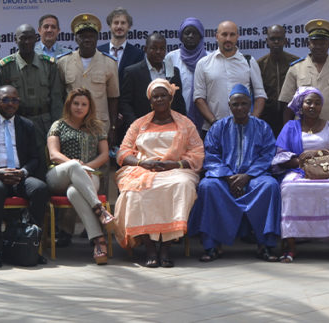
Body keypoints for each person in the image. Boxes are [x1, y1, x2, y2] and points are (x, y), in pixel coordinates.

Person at [115, 78, 204, 267]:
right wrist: (142, 163)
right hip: (142, 169)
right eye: (155, 96)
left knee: (181, 186)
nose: (160, 99)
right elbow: (123, 152)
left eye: (163, 95)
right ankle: (149, 248)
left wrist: (175, 164)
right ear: (150, 101)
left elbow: (197, 153)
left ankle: (165, 248)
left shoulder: (186, 124)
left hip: (176, 169)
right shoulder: (138, 124)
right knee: (134, 191)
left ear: (170, 98)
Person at [189, 83, 281, 262]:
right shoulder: (218, 127)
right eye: (235, 105)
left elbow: (268, 154)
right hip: (223, 177)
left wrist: (247, 176)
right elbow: (210, 154)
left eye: (244, 104)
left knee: (270, 186)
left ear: (251, 105)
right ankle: (212, 246)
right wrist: (229, 176)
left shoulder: (262, 127)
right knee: (208, 186)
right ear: (229, 106)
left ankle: (266, 246)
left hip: (254, 177)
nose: (240, 108)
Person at [0, 85, 49, 269]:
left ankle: (30, 244)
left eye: (14, 100)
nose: (11, 103)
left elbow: (35, 158)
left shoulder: (27, 125)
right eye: (5, 99)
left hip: (19, 175)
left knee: (40, 188)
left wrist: (23, 172)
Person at [273, 87, 329, 263]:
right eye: (309, 102)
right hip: (299, 171)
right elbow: (280, 155)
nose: (313, 106)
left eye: (317, 103)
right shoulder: (290, 127)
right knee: (289, 188)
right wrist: (304, 162)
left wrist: (325, 159)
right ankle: (291, 247)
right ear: (300, 105)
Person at [46, 88, 114, 265]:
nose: (79, 107)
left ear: (89, 106)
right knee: (74, 167)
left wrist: (85, 168)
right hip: (58, 174)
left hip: (89, 175)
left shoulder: (97, 127)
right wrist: (75, 165)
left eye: (84, 104)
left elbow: (104, 155)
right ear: (69, 104)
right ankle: (100, 210)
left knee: (74, 193)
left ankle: (99, 242)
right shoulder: (58, 125)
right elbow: (54, 154)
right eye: (76, 103)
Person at [279, 19, 329, 145]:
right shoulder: (296, 68)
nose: (319, 47)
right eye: (315, 42)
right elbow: (287, 106)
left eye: (323, 43)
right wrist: (287, 133)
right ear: (308, 44)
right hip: (304, 134)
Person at [0, 23, 65, 152]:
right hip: (16, 122)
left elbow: (56, 100)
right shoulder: (5, 66)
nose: (26, 42)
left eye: (30, 38)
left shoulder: (48, 64)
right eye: (22, 38)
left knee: (44, 163)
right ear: (15, 40)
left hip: (44, 123)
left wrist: (57, 128)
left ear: (36, 39)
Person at [57, 14, 120, 145]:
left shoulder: (109, 62)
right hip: (72, 125)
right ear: (75, 38)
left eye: (91, 36)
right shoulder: (63, 62)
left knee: (101, 163)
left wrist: (113, 128)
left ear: (97, 38)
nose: (87, 39)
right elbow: (59, 95)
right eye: (82, 36)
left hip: (99, 125)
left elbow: (113, 98)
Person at [194, 21, 266, 132]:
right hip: (213, 129)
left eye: (232, 35)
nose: (228, 39)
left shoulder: (248, 61)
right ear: (217, 36)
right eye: (224, 34)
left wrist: (253, 121)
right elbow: (199, 98)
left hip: (244, 129)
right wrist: (214, 123)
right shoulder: (203, 63)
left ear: (238, 36)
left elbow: (260, 95)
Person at [119, 32, 185, 136]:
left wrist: (181, 125)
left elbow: (179, 102)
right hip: (141, 131)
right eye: (154, 48)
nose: (158, 52)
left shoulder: (173, 71)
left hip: (170, 130)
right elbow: (125, 103)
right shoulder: (132, 72)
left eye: (162, 48)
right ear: (145, 49)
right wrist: (136, 126)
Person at [256, 24, 300, 135]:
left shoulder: (296, 63)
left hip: (291, 116)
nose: (276, 42)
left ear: (285, 41)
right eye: (272, 39)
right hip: (266, 119)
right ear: (267, 41)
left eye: (279, 39)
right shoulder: (259, 64)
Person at [165, 17, 209, 127]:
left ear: (200, 36)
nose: (190, 36)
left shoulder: (210, 58)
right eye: (187, 33)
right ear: (181, 36)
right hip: (177, 118)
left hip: (205, 120)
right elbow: (167, 87)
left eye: (195, 33)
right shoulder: (171, 58)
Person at [98, 7, 145, 81]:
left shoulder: (137, 54)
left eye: (123, 23)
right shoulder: (98, 52)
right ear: (110, 26)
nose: (119, 26)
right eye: (116, 23)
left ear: (129, 27)